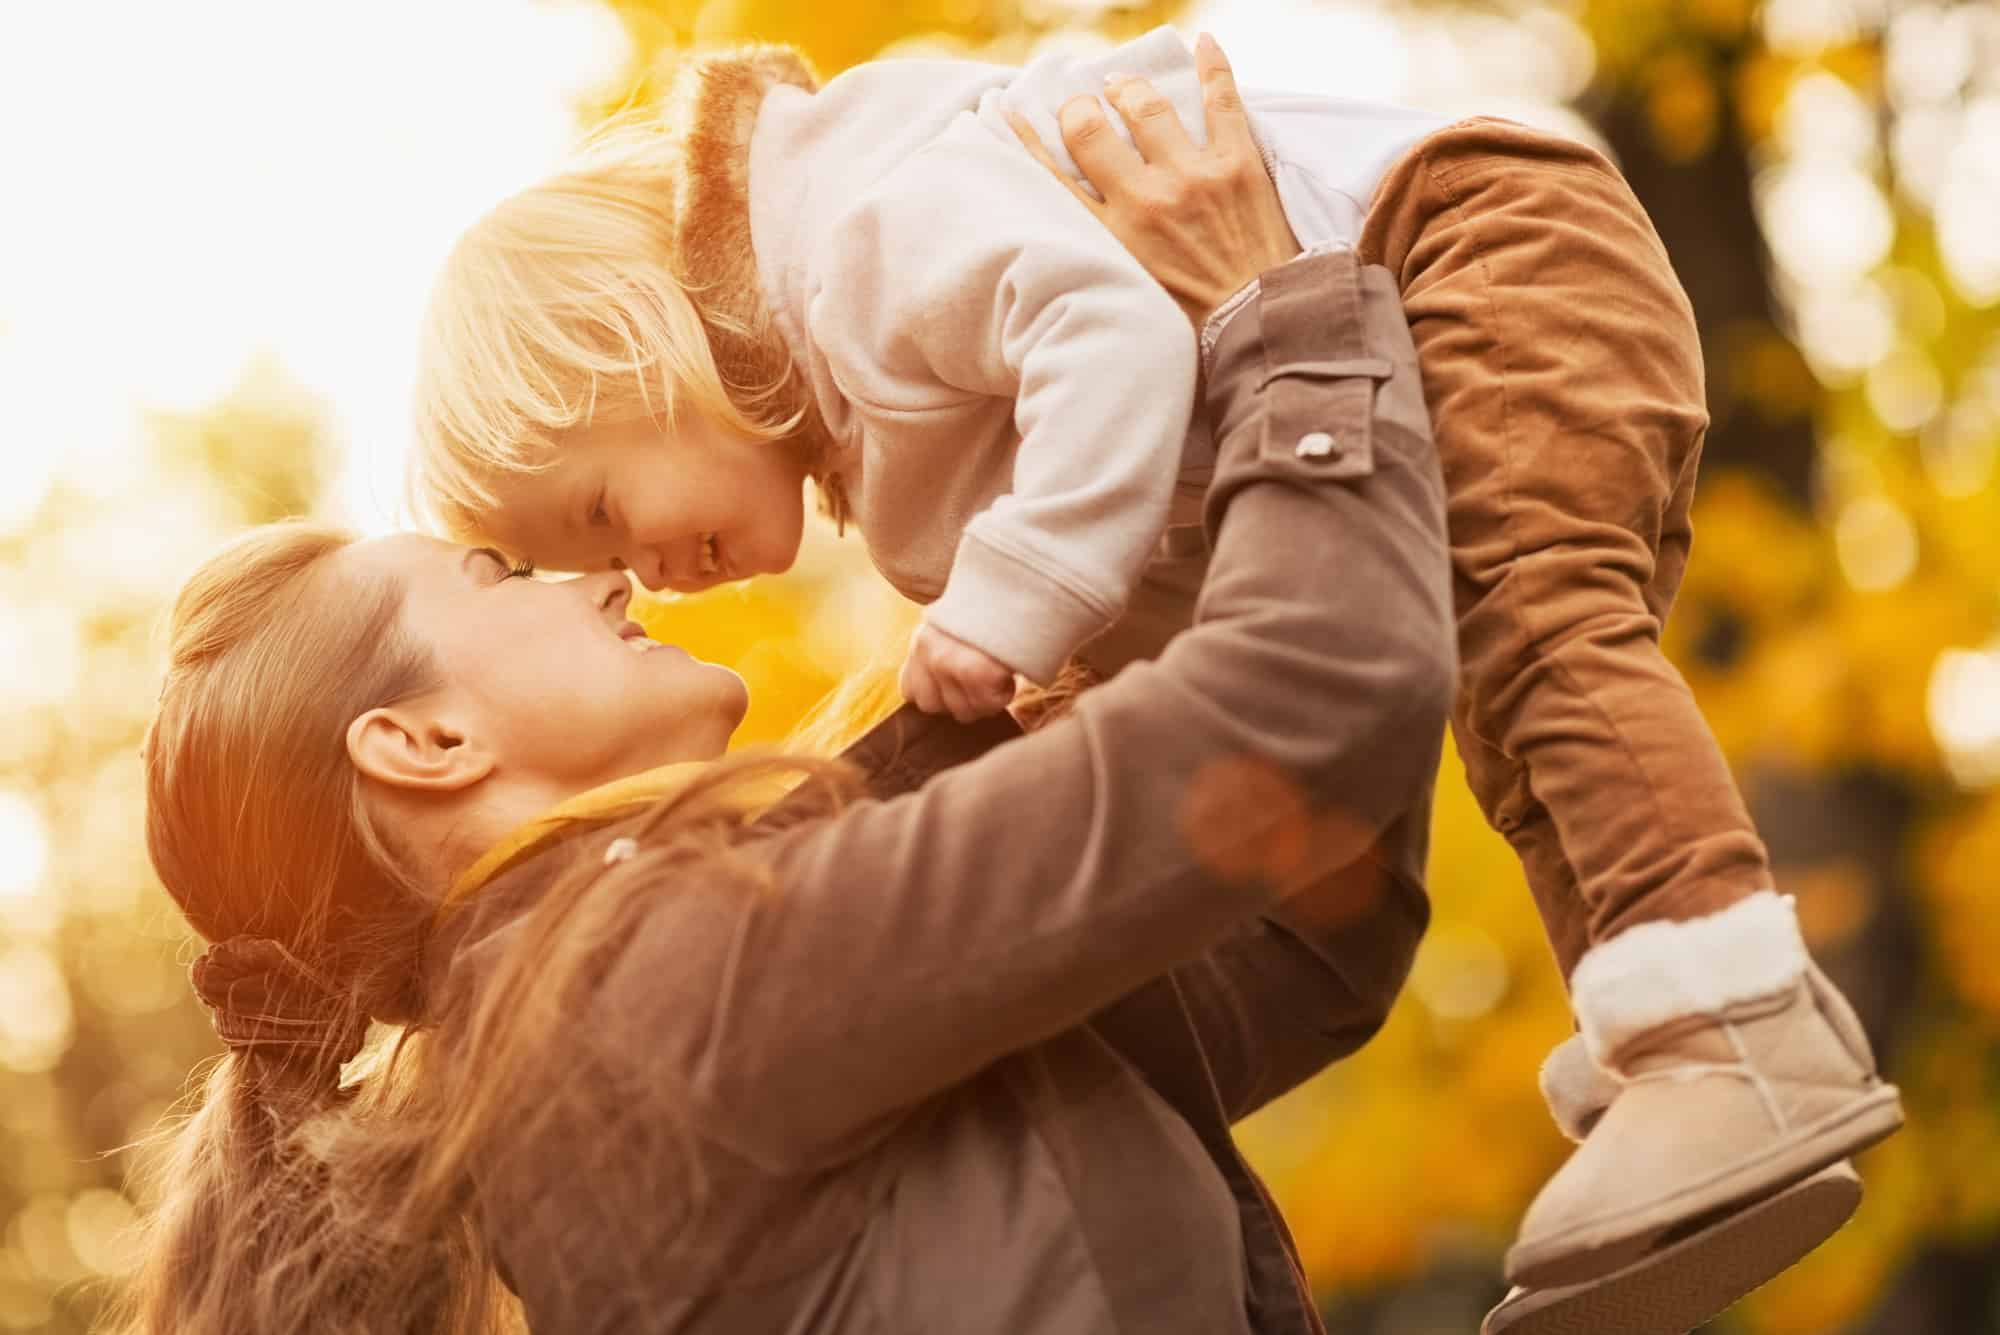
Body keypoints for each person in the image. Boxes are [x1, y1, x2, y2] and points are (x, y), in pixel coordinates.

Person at [405, 28, 1899, 1332]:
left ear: (637, 342)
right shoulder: (892, 451)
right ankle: (1689, 1055)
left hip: (1459, 241)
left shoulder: (859, 236)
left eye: (599, 514)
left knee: (1533, 627)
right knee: (1516, 698)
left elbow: (1108, 332)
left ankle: (1729, 1029)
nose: (642, 576)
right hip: (1389, 341)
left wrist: (1017, 610)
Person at [120, 226, 1457, 1332]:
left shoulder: (639, 997)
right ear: (425, 745)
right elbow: (1320, 702)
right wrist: (1277, 311)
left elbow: (1296, 939)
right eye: (500, 575)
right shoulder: (644, 995)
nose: (597, 575)